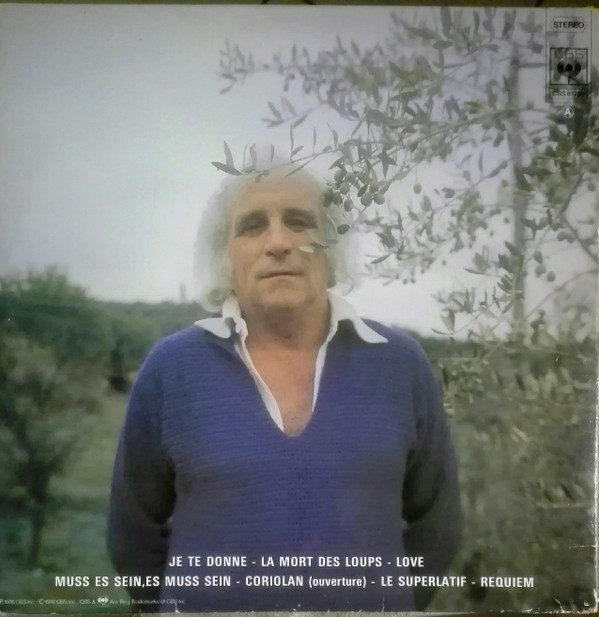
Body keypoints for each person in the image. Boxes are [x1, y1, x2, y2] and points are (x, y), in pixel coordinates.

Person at [107, 167, 462, 612]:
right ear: (225, 255)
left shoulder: (400, 364)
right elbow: (132, 532)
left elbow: (438, 524)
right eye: (252, 226)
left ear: (331, 248)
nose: (278, 242)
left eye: (299, 222)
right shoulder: (171, 368)